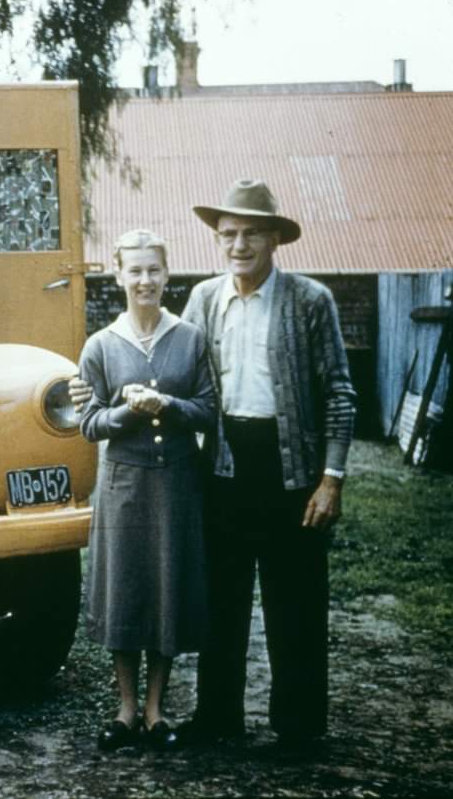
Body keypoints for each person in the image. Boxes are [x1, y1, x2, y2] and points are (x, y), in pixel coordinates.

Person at [176, 179, 357, 748]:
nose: (239, 245)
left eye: (252, 233)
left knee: (295, 602)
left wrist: (331, 479)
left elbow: (339, 394)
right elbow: (175, 374)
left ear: (275, 238)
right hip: (224, 467)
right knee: (221, 599)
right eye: (228, 233)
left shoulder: (310, 300)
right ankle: (218, 718)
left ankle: (299, 728)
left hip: (291, 472)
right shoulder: (204, 300)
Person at [78, 229, 215, 752]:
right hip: (124, 487)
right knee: (126, 589)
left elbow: (208, 408)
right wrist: (126, 412)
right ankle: (126, 708)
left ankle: (156, 710)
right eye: (134, 270)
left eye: (153, 269)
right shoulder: (101, 345)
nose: (145, 280)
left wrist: (169, 406)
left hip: (176, 484)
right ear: (119, 276)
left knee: (165, 588)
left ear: (167, 273)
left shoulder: (190, 338)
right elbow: (87, 423)